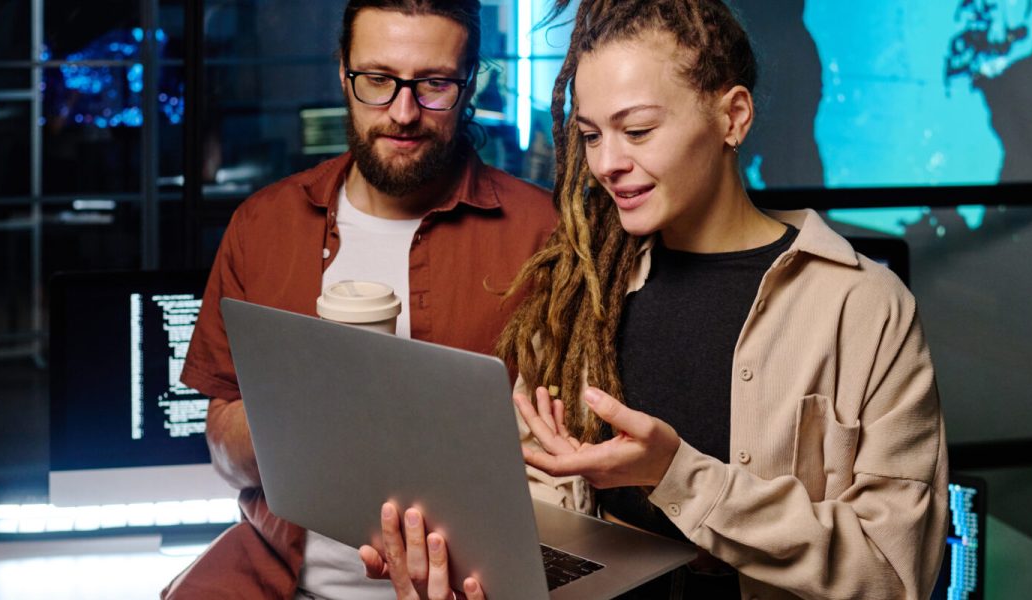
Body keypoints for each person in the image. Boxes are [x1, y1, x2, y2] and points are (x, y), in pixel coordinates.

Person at [359, 1, 949, 598]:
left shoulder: (864, 307)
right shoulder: (579, 293)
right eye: (590, 135)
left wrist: (675, 475)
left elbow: (895, 571)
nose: (608, 163)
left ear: (733, 117)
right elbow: (537, 510)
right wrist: (453, 564)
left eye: (638, 130)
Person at [162, 1, 556, 598]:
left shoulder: (541, 234)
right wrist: (306, 408)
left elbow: (573, 462)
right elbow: (221, 446)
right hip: (277, 580)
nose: (403, 113)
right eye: (376, 80)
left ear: (470, 82)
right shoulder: (263, 225)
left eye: (433, 85)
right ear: (341, 70)